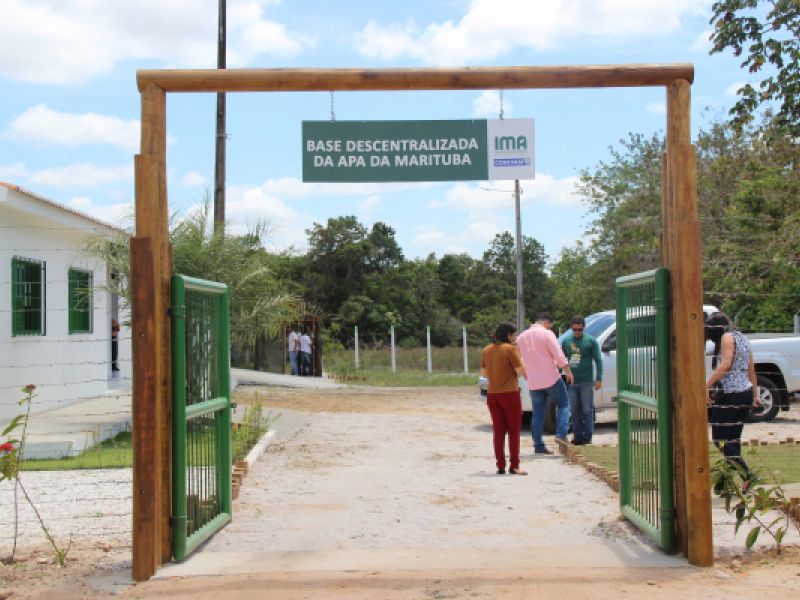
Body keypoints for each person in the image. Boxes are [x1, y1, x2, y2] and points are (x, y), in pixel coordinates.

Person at [705, 311, 759, 489]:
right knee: (733, 440)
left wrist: (706, 385)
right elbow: (751, 369)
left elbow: (726, 364)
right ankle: (729, 482)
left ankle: (748, 475)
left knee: (720, 440)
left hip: (731, 394)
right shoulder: (742, 337)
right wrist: (755, 394)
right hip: (745, 393)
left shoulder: (727, 337)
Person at [516, 313, 574, 455]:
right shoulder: (547, 334)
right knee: (563, 404)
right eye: (550, 326)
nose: (550, 328)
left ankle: (538, 446)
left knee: (537, 414)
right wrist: (568, 371)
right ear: (546, 323)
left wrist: (524, 374)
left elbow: (517, 359)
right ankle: (561, 435)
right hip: (551, 378)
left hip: (533, 381)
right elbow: (558, 355)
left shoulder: (521, 337)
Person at [480, 323, 528, 475]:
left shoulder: (487, 349)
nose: (515, 337)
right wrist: (519, 354)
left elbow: (484, 373)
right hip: (509, 393)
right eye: (514, 334)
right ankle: (514, 465)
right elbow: (520, 371)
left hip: (492, 394)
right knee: (514, 431)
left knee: (498, 431)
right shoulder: (510, 349)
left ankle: (500, 465)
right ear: (508, 335)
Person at [561, 315, 602, 446]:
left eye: (580, 329)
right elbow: (562, 360)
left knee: (587, 410)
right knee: (574, 410)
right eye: (575, 330)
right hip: (572, 382)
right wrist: (559, 375)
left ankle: (587, 438)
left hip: (586, 381)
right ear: (571, 328)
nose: (577, 332)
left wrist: (599, 378)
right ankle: (577, 437)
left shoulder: (590, 341)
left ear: (584, 327)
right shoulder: (566, 341)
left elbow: (598, 360)